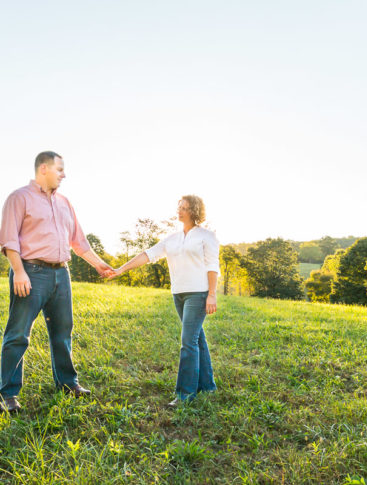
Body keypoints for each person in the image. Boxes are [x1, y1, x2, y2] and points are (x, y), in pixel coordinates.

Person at [0, 151, 113, 413]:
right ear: (43, 168)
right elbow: (9, 240)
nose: (64, 175)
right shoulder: (19, 198)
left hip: (62, 274)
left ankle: (67, 383)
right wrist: (19, 271)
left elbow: (78, 241)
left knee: (63, 332)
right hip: (31, 272)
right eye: (60, 169)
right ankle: (7, 393)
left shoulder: (64, 202)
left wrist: (99, 264)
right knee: (18, 335)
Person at [109, 195, 219, 406]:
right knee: (197, 339)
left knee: (188, 342)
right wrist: (121, 269)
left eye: (185, 208)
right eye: (179, 206)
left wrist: (211, 294)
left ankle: (185, 395)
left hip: (198, 293)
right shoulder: (172, 238)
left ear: (194, 211)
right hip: (179, 293)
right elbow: (147, 255)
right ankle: (207, 385)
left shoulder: (207, 236)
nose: (180, 210)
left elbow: (213, 265)